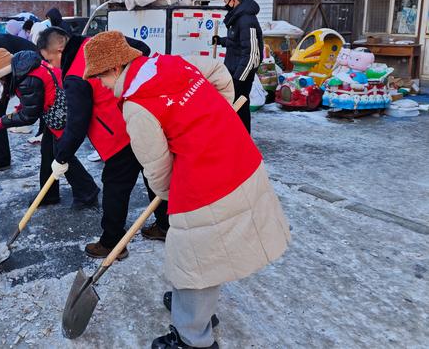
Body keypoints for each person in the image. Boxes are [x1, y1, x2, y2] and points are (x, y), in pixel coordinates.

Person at [83, 31, 290, 349]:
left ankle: (193, 337)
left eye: (99, 77)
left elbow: (156, 167)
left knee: (192, 259)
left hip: (206, 182)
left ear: (113, 68)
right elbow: (219, 72)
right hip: (240, 157)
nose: (101, 85)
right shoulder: (169, 63)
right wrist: (215, 117)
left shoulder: (136, 106)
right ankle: (195, 310)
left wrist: (166, 192)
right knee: (211, 249)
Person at [52, 30, 171, 259]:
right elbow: (142, 48)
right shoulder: (95, 42)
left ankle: (112, 242)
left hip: (118, 134)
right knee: (154, 174)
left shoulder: (75, 77)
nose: (52, 65)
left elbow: (76, 125)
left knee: (116, 186)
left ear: (59, 49)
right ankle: (166, 226)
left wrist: (62, 156)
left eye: (49, 59)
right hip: (141, 120)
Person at [0, 46, 99, 209]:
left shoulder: (27, 79)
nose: (1, 82)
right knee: (48, 152)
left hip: (61, 113)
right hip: (56, 109)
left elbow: (29, 116)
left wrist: (5, 121)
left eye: (0, 78)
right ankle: (49, 194)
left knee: (62, 154)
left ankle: (87, 192)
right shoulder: (26, 67)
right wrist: (19, 109)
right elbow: (32, 101)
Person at [212, 0, 263, 133]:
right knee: (233, 106)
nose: (225, 5)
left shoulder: (247, 20)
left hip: (242, 73)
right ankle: (235, 137)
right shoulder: (237, 18)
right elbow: (236, 43)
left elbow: (253, 53)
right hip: (234, 70)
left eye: (226, 1)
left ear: (233, 0)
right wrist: (221, 41)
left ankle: (244, 138)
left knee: (240, 105)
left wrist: (239, 78)